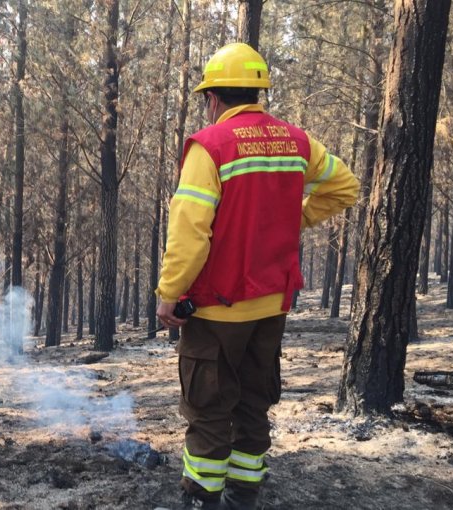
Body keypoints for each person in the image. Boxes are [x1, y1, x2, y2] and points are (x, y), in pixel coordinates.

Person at [155, 43, 359, 510]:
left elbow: (190, 232)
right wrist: (295, 218)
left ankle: (203, 498)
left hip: (216, 307)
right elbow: (345, 185)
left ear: (214, 98)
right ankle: (243, 495)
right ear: (258, 91)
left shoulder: (210, 147)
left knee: (208, 406)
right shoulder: (296, 142)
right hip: (272, 305)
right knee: (252, 401)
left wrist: (169, 293)